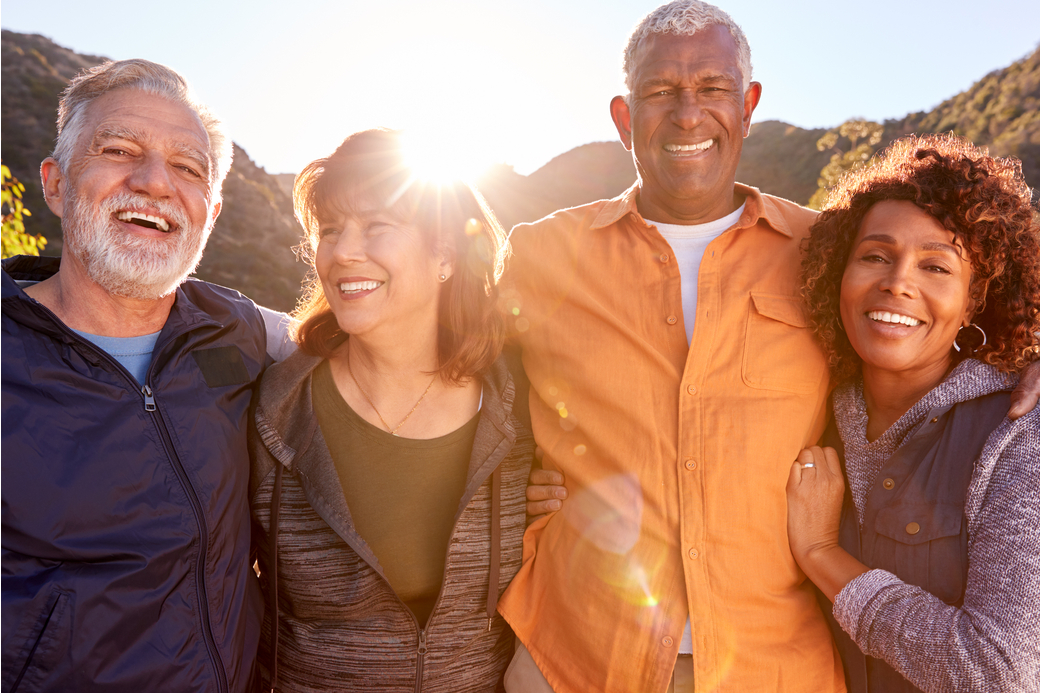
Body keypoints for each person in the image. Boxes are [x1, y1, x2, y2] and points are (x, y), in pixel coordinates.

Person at [498, 2, 1040, 692]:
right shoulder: (540, 254)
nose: (688, 114)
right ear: (624, 116)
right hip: (574, 655)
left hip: (772, 667)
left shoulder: (824, 252)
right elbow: (450, 365)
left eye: (713, 88)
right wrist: (513, 483)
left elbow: (934, 317)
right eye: (661, 90)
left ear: (748, 104)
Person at [1, 60, 290, 691]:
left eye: (187, 167)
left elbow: (367, 345)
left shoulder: (236, 330)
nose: (156, 181)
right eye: (118, 150)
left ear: (211, 212)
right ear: (56, 183)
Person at [248, 128, 534, 691]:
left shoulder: (519, 405)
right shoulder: (272, 411)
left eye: (376, 225)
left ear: (445, 254)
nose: (343, 251)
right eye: (330, 230)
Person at [786, 134, 1040, 692]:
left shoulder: (1017, 432)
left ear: (974, 299)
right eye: (875, 256)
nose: (898, 282)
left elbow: (998, 673)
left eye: (936, 267)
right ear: (839, 274)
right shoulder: (808, 411)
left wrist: (822, 555)